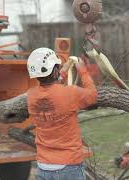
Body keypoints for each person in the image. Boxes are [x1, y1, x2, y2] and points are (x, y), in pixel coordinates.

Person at [26, 48, 97, 180]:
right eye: (56, 67)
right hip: (69, 166)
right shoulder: (70, 93)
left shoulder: (31, 96)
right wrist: (82, 70)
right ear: (54, 71)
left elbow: (51, 88)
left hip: (43, 166)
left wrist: (62, 73)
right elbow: (92, 96)